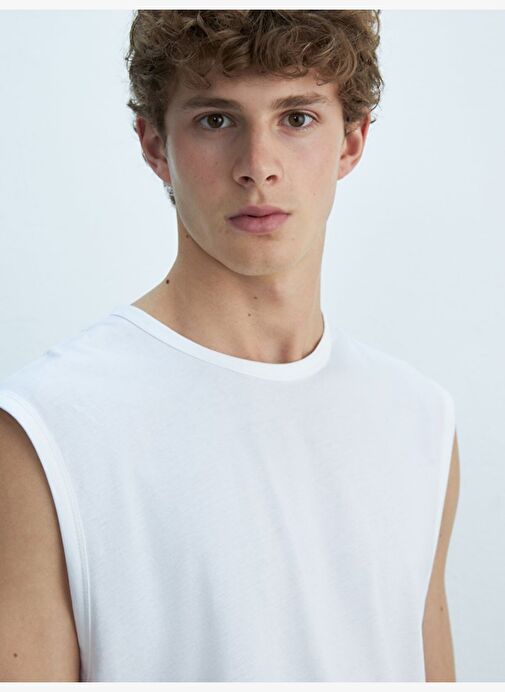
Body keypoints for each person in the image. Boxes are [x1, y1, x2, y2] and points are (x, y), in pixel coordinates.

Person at [0, 9, 460, 683]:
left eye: (296, 118)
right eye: (216, 120)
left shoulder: (419, 419)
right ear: (154, 145)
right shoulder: (46, 429)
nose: (257, 167)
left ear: (352, 141)